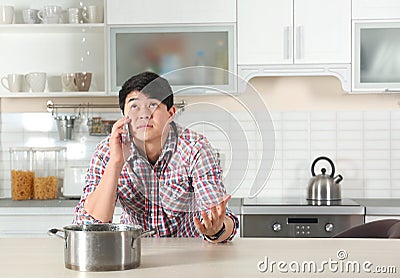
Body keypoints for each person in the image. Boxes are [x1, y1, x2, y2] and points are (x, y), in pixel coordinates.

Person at [73, 71, 239, 243]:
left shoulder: (195, 148)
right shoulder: (108, 150)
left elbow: (221, 219)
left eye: (153, 105)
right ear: (124, 115)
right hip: (133, 251)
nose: (144, 114)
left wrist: (215, 231)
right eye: (134, 106)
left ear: (171, 112)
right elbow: (89, 224)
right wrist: (116, 163)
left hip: (189, 252)